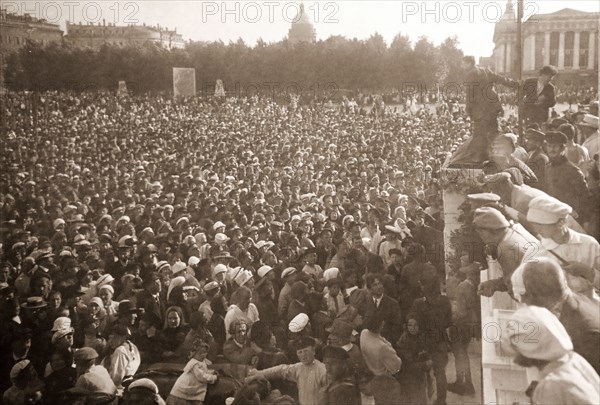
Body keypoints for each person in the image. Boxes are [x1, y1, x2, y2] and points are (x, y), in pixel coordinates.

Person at [511, 258, 600, 373]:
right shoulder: (571, 300)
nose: (523, 305)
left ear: (537, 296)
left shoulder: (580, 331)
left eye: (521, 298)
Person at [501, 305, 599, 405]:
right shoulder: (572, 359)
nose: (514, 359)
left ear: (532, 349)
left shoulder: (551, 385)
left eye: (515, 347)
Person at [526, 195, 599, 299]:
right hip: (555, 312)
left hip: (589, 309)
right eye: (533, 225)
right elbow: (524, 290)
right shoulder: (535, 252)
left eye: (540, 225)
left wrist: (587, 272)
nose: (535, 229)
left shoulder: (589, 244)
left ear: (561, 222)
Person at [449, 55, 519, 164]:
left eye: (463, 63)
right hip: (492, 108)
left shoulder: (471, 74)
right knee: (494, 132)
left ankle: (478, 158)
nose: (462, 66)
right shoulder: (486, 71)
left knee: (479, 134)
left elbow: (470, 95)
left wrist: (468, 110)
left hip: (480, 110)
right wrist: (515, 84)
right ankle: (497, 154)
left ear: (469, 63)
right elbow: (501, 79)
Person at [246, 336, 327, 405]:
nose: (303, 355)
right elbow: (280, 370)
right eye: (300, 352)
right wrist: (260, 373)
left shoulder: (322, 370)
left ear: (313, 351)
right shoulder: (299, 368)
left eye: (306, 351)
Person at [543, 131, 594, 225]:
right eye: (549, 146)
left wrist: (585, 222)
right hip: (552, 217)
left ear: (562, 148)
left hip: (571, 219)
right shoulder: (547, 168)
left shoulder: (573, 170)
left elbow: (585, 197)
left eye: (555, 146)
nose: (552, 149)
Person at [167, 338, 218, 405]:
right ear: (194, 354)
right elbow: (201, 376)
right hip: (187, 386)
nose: (203, 355)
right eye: (200, 353)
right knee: (184, 399)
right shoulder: (194, 364)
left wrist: (211, 372)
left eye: (205, 352)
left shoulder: (202, 361)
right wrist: (213, 377)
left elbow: (204, 371)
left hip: (194, 388)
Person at [396, 313, 433, 405]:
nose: (413, 328)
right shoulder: (404, 340)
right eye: (410, 325)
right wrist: (425, 364)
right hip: (408, 378)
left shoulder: (423, 338)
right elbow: (407, 365)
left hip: (421, 376)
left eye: (416, 325)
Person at [359, 309, 402, 377]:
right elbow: (396, 367)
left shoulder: (364, 333)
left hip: (370, 370)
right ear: (381, 325)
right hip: (383, 376)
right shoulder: (382, 347)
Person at [102, 323, 141, 391]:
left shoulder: (120, 351)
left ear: (124, 337)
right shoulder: (131, 345)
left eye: (115, 337)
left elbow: (116, 376)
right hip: (129, 378)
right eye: (110, 338)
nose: (111, 341)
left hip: (120, 384)